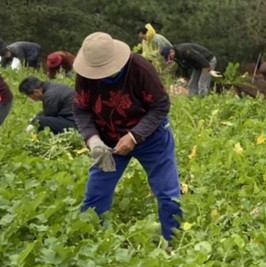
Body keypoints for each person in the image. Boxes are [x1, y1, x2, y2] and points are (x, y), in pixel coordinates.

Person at [73, 32, 184, 242]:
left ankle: (174, 242)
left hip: (151, 138)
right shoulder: (85, 75)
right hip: (108, 141)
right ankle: (90, 244)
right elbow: (81, 110)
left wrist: (134, 136)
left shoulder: (140, 68)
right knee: (96, 193)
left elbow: (160, 106)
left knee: (168, 192)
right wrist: (93, 140)